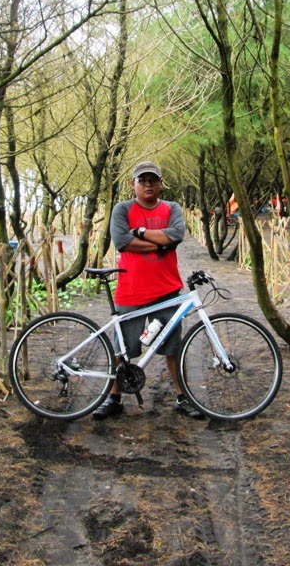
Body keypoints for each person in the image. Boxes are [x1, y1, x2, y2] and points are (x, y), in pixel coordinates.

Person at [92, 161, 204, 420]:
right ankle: (113, 397)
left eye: (153, 179)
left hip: (166, 290)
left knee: (174, 349)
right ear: (134, 184)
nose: (148, 184)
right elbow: (122, 242)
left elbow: (175, 235)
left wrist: (141, 233)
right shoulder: (122, 209)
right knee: (122, 350)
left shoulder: (172, 208)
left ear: (160, 182)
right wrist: (159, 244)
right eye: (142, 180)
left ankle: (182, 396)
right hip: (130, 291)